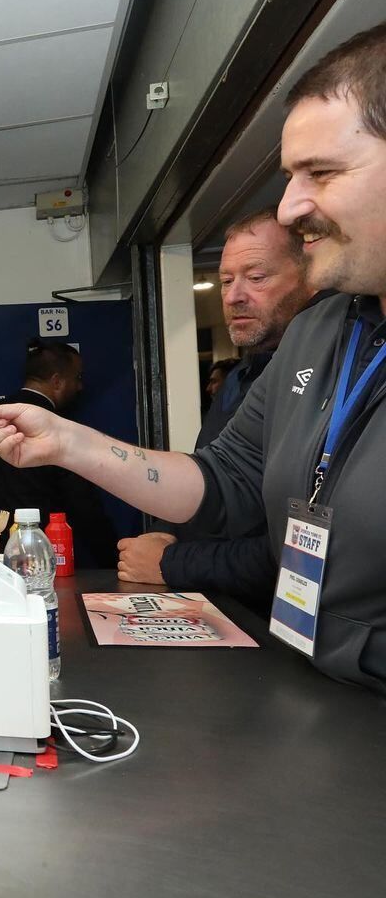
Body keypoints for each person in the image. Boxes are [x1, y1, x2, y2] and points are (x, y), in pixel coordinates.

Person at [0, 21, 386, 693]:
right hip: (310, 691)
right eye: (290, 177)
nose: (289, 208)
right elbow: (220, 482)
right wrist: (64, 441)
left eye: (323, 173)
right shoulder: (321, 333)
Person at [117, 212, 315, 607]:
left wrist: (173, 562)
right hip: (223, 613)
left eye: (256, 278)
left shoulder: (328, 377)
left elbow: (304, 548)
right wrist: (166, 530)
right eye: (226, 281)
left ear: (312, 275)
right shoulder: (241, 378)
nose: (233, 295)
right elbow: (214, 480)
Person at [0, 338, 118, 564]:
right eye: (77, 378)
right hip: (35, 558)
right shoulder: (59, 429)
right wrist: (113, 559)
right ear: (56, 381)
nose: (80, 386)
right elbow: (85, 507)